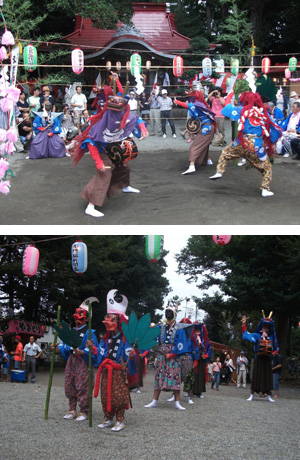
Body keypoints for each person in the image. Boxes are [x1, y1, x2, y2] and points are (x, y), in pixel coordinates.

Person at [70, 78, 148, 218]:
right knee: (105, 172)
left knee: (123, 165)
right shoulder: (103, 119)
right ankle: (91, 205)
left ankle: (125, 186)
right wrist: (98, 161)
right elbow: (90, 141)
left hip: (112, 144)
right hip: (99, 146)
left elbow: (137, 119)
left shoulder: (124, 113)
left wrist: (143, 128)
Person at [209, 91, 282, 197]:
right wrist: (269, 143)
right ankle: (265, 189)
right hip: (256, 146)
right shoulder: (264, 114)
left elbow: (227, 106)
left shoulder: (242, 110)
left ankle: (220, 171)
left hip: (241, 143)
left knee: (225, 153)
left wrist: (230, 94)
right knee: (266, 168)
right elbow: (277, 130)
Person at [94, 290, 137, 432]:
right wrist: (92, 348)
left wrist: (130, 354)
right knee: (106, 394)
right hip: (107, 370)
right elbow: (100, 352)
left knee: (118, 396)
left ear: (119, 321)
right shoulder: (106, 338)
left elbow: (127, 353)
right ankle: (108, 417)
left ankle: (120, 420)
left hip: (118, 371)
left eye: (112, 319)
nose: (109, 322)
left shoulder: (125, 339)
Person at [52, 298, 100, 422]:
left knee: (82, 386)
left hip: (83, 362)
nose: (77, 319)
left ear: (87, 318)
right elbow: (65, 345)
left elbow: (95, 349)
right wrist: (57, 348)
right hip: (72, 361)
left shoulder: (90, 333)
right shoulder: (73, 331)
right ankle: (72, 409)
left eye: (81, 316)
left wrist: (84, 351)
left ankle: (84, 411)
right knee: (69, 384)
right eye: (76, 316)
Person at [144, 301, 196, 411]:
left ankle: (177, 402)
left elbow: (181, 343)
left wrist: (172, 354)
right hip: (161, 355)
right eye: (166, 312)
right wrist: (149, 330)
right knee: (158, 376)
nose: (168, 314)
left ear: (174, 314)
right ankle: (154, 401)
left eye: (170, 312)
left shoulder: (179, 328)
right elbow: (153, 336)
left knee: (175, 377)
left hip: (174, 355)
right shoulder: (161, 327)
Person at [174, 91, 215, 175]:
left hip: (206, 128)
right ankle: (208, 160)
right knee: (204, 145)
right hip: (208, 127)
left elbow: (188, 106)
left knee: (194, 147)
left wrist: (177, 101)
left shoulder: (196, 104)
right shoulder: (201, 104)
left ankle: (191, 166)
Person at [241, 312, 278, 402]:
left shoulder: (272, 337)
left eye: (267, 327)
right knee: (256, 375)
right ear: (261, 327)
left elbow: (276, 348)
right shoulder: (257, 335)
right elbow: (246, 335)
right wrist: (244, 324)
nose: (265, 328)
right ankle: (251, 395)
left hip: (267, 358)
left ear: (269, 328)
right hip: (258, 357)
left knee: (268, 376)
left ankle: (269, 396)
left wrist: (274, 353)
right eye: (264, 327)